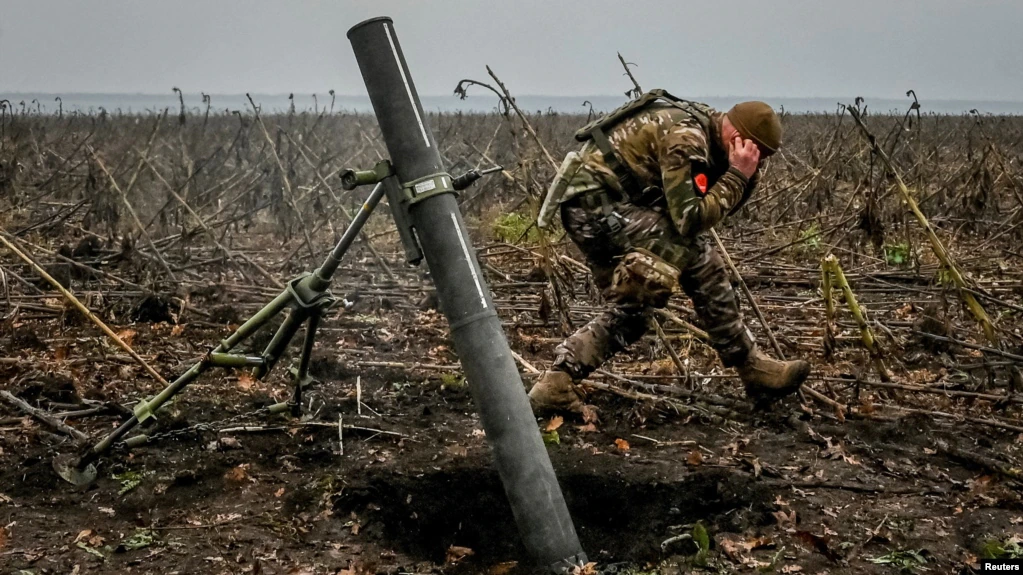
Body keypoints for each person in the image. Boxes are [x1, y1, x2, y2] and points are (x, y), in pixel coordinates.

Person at [529, 90, 809, 414]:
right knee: (700, 259)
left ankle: (556, 384)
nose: (757, 162)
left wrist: (744, 177)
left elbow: (708, 210)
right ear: (737, 136)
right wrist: (737, 176)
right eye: (757, 153)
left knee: (632, 314)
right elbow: (689, 221)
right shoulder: (688, 138)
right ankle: (751, 367)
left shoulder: (710, 130)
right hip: (596, 209)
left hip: (601, 209)